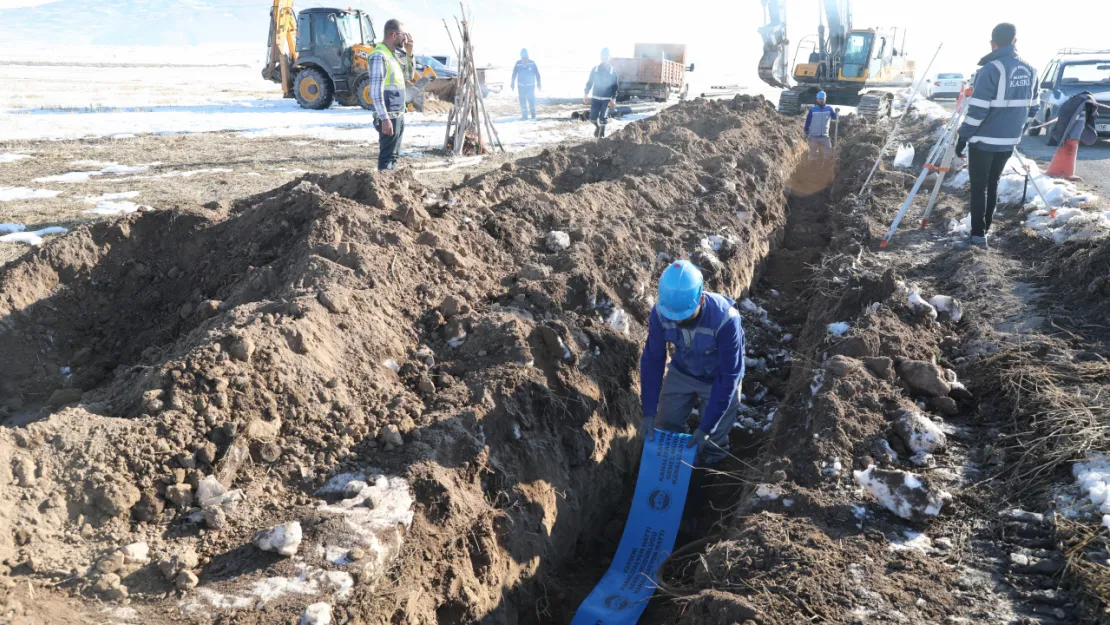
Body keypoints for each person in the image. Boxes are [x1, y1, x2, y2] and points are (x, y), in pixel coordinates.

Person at [640, 261, 746, 466]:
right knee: (664, 426)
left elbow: (728, 375)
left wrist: (706, 428)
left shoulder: (726, 319)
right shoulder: (660, 313)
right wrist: (648, 412)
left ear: (701, 300)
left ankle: (708, 477)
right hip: (683, 371)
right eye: (673, 316)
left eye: (684, 316)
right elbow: (653, 360)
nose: (678, 321)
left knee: (713, 441)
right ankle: (672, 468)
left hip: (719, 378)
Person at [954, 22, 1036, 249]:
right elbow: (1034, 107)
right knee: (993, 183)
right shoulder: (1031, 70)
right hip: (1008, 141)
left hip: (983, 141)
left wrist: (963, 137)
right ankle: (984, 230)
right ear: (1015, 41)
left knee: (979, 187)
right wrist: (1016, 130)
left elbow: (978, 110)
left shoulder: (990, 69)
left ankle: (978, 237)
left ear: (992, 43)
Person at [368, 19, 414, 171]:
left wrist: (409, 52)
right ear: (394, 35)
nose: (405, 38)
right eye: (403, 35)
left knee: (393, 157)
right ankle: (383, 191)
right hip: (389, 116)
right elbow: (375, 91)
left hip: (398, 114)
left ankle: (391, 190)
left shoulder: (392, 55)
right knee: (387, 158)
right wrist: (384, 118)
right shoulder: (379, 56)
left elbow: (409, 76)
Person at [584, 48, 619, 138]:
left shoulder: (612, 70)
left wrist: (613, 99)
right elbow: (590, 82)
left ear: (609, 58)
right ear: (600, 57)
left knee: (603, 118)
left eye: (607, 57)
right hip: (595, 98)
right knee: (592, 118)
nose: (605, 59)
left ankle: (601, 136)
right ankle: (597, 127)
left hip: (606, 99)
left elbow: (615, 86)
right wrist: (586, 94)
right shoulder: (595, 69)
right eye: (603, 56)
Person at [804, 91, 837, 162]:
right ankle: (812, 170)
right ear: (817, 99)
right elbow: (808, 121)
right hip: (814, 137)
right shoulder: (812, 110)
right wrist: (806, 131)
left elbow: (835, 117)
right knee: (813, 156)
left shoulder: (829, 109)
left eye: (822, 99)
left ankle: (825, 170)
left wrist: (837, 114)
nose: (821, 100)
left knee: (828, 155)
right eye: (819, 99)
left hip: (825, 137)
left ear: (825, 99)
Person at [511, 48, 542, 120]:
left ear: (528, 57)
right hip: (521, 87)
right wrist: (512, 83)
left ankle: (533, 116)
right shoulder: (518, 63)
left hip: (530, 87)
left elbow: (537, 74)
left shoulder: (532, 63)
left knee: (531, 102)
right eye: (523, 58)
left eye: (525, 58)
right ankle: (524, 117)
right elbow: (514, 74)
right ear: (521, 57)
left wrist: (539, 83)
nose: (524, 60)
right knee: (522, 103)